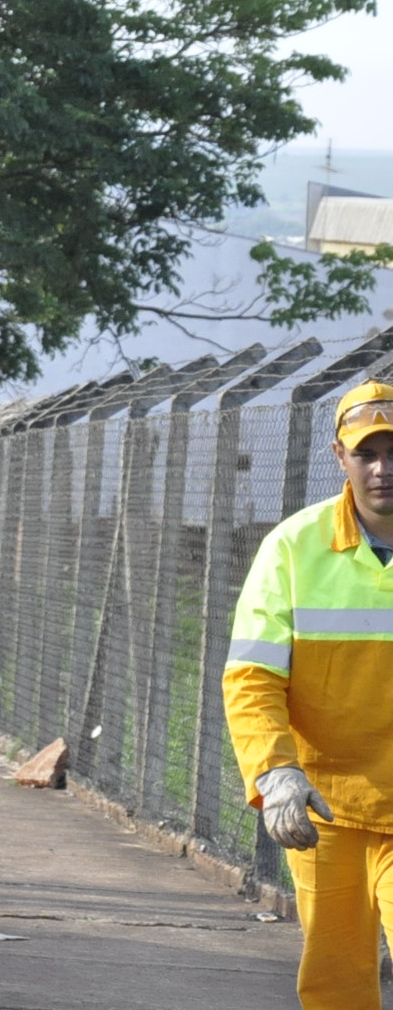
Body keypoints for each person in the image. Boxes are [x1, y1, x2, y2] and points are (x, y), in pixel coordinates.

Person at [226, 380, 393, 1009]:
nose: (383, 469)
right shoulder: (294, 548)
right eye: (366, 453)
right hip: (330, 808)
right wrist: (275, 774)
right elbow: (253, 676)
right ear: (338, 456)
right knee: (336, 979)